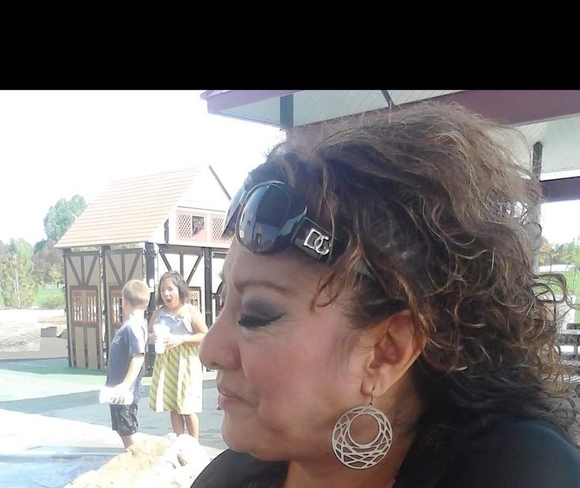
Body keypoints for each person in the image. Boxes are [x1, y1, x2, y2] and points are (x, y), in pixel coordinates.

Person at [192, 102, 580, 488]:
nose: (209, 351)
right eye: (223, 300)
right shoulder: (229, 477)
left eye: (256, 315)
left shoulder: (517, 470)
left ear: (386, 350)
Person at [149, 270, 208, 438]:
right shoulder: (158, 313)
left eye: (170, 289)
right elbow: (150, 335)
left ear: (179, 290)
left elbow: (205, 335)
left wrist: (182, 339)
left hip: (187, 363)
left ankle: (194, 443)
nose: (166, 294)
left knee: (187, 407)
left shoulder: (190, 311)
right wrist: (153, 338)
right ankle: (180, 440)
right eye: (162, 290)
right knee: (173, 405)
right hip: (166, 364)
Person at [104, 279, 150, 449]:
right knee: (123, 430)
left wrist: (125, 385)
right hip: (119, 391)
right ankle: (133, 454)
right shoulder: (138, 325)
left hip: (124, 392)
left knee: (128, 431)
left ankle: (139, 457)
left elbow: (138, 356)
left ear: (124, 301)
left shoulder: (132, 327)